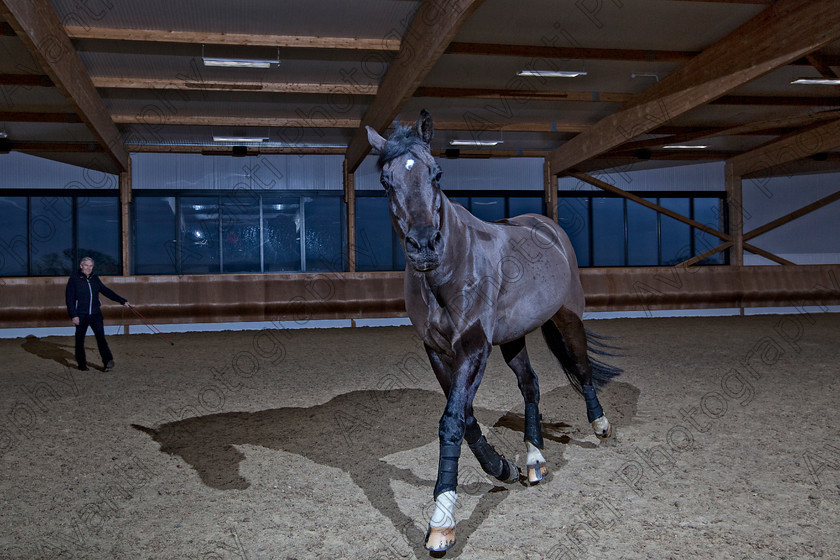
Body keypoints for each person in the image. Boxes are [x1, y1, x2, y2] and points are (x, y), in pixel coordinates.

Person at [65, 256, 131, 371]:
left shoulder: (95, 278)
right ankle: (82, 364)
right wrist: (73, 315)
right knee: (79, 340)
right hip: (81, 315)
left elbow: (106, 291)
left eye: (90, 266)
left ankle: (107, 362)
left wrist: (122, 300)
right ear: (81, 266)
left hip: (96, 314)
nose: (88, 268)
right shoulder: (74, 279)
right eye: (86, 265)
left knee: (101, 338)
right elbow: (69, 299)